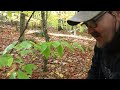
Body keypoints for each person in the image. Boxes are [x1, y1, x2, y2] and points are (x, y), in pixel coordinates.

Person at [67, 11, 120, 79]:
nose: (89, 31)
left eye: (92, 22)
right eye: (86, 24)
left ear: (118, 14)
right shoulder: (103, 42)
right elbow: (94, 72)